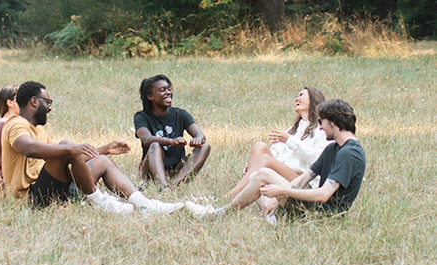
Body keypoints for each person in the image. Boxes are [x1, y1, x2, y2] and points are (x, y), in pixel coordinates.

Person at [1, 81, 183, 214]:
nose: (49, 108)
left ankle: (144, 204)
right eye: (47, 102)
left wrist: (104, 149)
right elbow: (28, 148)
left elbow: (63, 159)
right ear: (34, 101)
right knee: (66, 146)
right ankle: (99, 201)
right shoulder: (16, 124)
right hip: (30, 199)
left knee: (101, 161)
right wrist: (72, 149)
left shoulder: (37, 131)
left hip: (50, 189)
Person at [189, 100, 366, 223]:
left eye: (322, 121)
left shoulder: (350, 154)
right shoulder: (332, 149)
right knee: (263, 180)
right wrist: (280, 198)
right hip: (312, 206)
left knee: (264, 174)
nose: (319, 126)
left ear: (333, 123)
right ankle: (271, 216)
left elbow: (323, 195)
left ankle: (220, 213)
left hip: (323, 215)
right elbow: (302, 180)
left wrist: (281, 191)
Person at [224, 87, 332, 199]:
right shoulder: (292, 130)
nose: (297, 98)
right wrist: (254, 165)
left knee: (265, 159)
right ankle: (263, 204)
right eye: (297, 95)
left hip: (303, 182)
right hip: (281, 176)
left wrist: (290, 141)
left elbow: (318, 159)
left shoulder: (321, 130)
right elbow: (273, 154)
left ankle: (231, 195)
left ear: (314, 99)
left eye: (301, 95)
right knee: (259, 147)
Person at [133, 74, 210, 188]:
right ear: (150, 96)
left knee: (205, 146)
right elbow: (146, 139)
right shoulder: (141, 117)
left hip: (177, 168)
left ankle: (175, 184)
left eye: (169, 89)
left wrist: (197, 140)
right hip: (150, 169)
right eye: (162, 90)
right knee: (155, 145)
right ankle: (163, 186)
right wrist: (171, 141)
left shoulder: (181, 114)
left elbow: (200, 135)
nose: (168, 92)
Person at [0, 84, 19, 193]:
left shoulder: (3, 123)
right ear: (10, 103)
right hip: (4, 183)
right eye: (21, 98)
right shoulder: (5, 124)